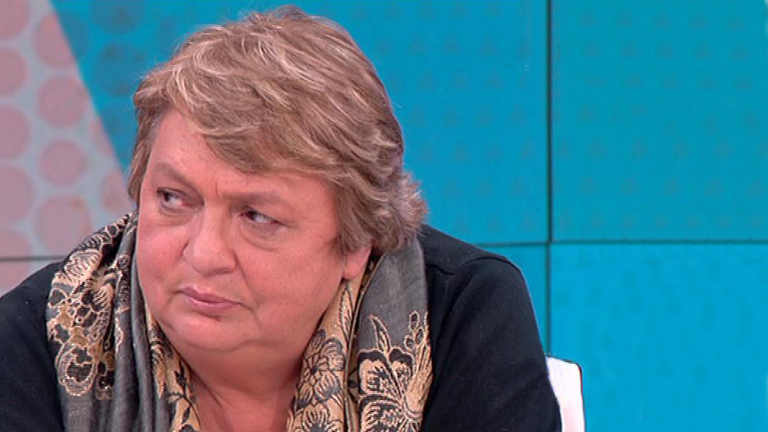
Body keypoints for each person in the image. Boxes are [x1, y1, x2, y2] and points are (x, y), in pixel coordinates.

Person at [0, 6, 561, 431]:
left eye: (256, 216)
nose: (204, 254)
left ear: (356, 240)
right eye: (173, 199)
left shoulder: (460, 313)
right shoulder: (36, 340)